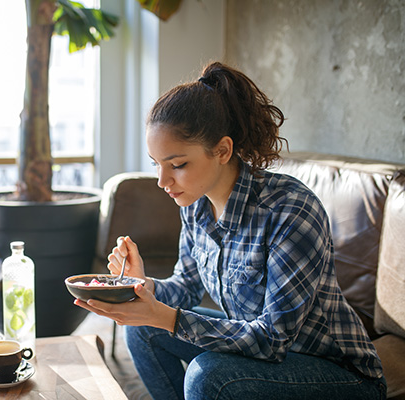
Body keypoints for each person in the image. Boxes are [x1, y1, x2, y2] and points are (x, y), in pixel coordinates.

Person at [73, 61, 386, 400]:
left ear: (222, 150)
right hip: (265, 358)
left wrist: (165, 316)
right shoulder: (195, 205)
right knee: (143, 331)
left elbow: (272, 340)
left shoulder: (290, 209)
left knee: (209, 377)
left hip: (338, 374)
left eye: (177, 165)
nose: (163, 182)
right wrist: (141, 287)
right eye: (157, 164)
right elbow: (187, 288)